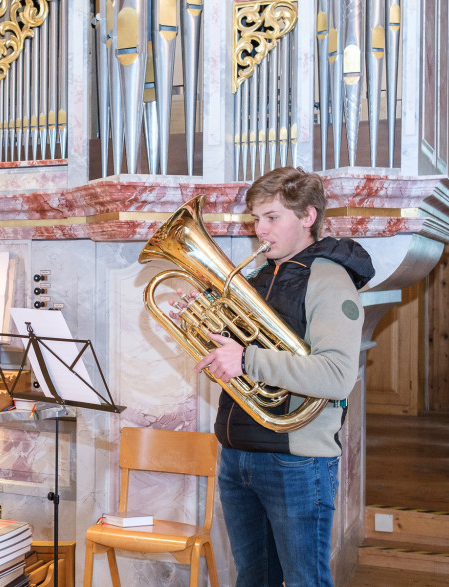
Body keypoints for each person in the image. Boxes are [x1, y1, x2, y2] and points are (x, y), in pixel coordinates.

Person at [174, 167, 375, 586]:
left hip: (296, 461)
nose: (259, 229)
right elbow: (246, 369)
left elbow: (337, 376)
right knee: (253, 579)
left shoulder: (329, 280)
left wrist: (247, 360)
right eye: (255, 218)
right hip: (237, 452)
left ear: (307, 217)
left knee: (305, 581)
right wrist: (212, 340)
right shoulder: (258, 278)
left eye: (271, 217)